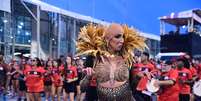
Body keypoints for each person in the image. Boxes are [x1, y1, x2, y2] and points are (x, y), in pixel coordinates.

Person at [77, 23, 146, 101]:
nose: (122, 40)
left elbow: (131, 88)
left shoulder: (127, 59)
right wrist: (88, 77)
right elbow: (82, 88)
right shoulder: (94, 57)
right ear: (107, 39)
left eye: (123, 37)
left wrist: (137, 78)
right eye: (117, 37)